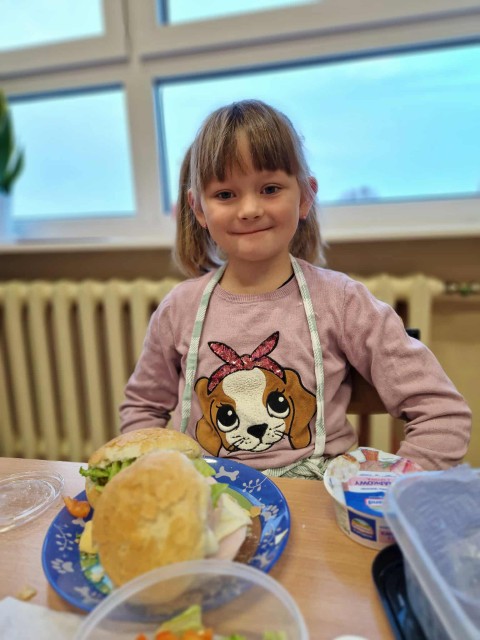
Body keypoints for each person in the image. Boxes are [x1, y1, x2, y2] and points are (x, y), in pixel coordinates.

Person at [120, 99, 471, 478]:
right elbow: (142, 409)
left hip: (315, 498)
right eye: (225, 194)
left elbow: (441, 412)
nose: (249, 209)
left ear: (305, 196)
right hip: (207, 494)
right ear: (199, 208)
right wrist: (152, 477)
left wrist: (397, 488)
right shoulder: (178, 308)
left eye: (270, 189)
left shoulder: (343, 302)